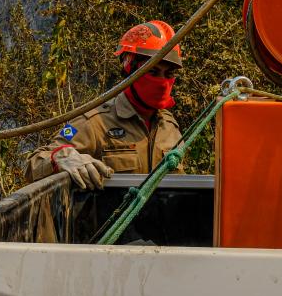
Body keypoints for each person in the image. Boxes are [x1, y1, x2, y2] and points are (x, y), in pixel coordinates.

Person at [24, 21, 184, 189]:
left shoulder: (170, 126)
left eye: (168, 74)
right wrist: (61, 157)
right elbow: (34, 162)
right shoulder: (94, 122)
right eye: (153, 71)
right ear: (130, 69)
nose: (162, 81)